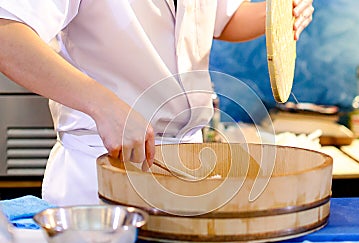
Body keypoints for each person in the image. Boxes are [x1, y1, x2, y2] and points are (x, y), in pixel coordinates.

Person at [0, 0, 314, 206]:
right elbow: (7, 33)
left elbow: (223, 18)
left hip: (192, 167)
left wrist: (276, 14)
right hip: (104, 170)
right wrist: (102, 104)